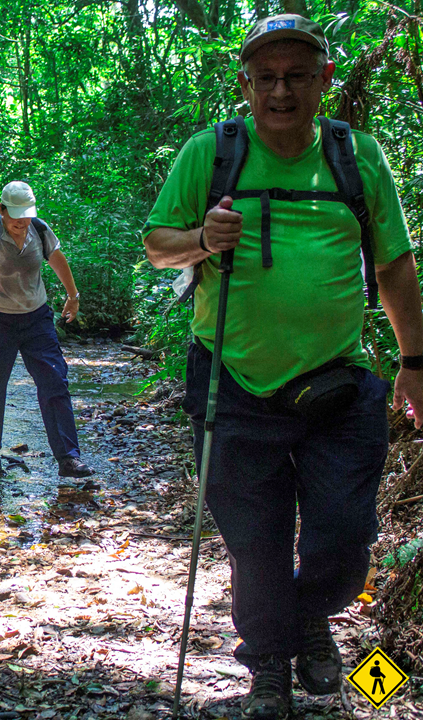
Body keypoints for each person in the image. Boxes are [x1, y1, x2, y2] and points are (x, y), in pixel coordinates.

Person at [143, 15, 423, 720]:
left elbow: (392, 263)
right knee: (255, 542)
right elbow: (157, 246)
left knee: (344, 538)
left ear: (324, 81)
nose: (281, 90)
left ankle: (307, 618)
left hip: (338, 384)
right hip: (232, 383)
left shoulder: (355, 156)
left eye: (297, 75)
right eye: (266, 77)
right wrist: (202, 238)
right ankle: (269, 662)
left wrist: (416, 360)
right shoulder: (211, 153)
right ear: (245, 84)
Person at [0, 181, 94, 479]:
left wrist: (73, 296)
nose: (22, 222)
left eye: (26, 215)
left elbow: (57, 259)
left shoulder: (39, 230)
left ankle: (68, 458)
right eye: (15, 217)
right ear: (1, 211)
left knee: (54, 380)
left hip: (36, 318)